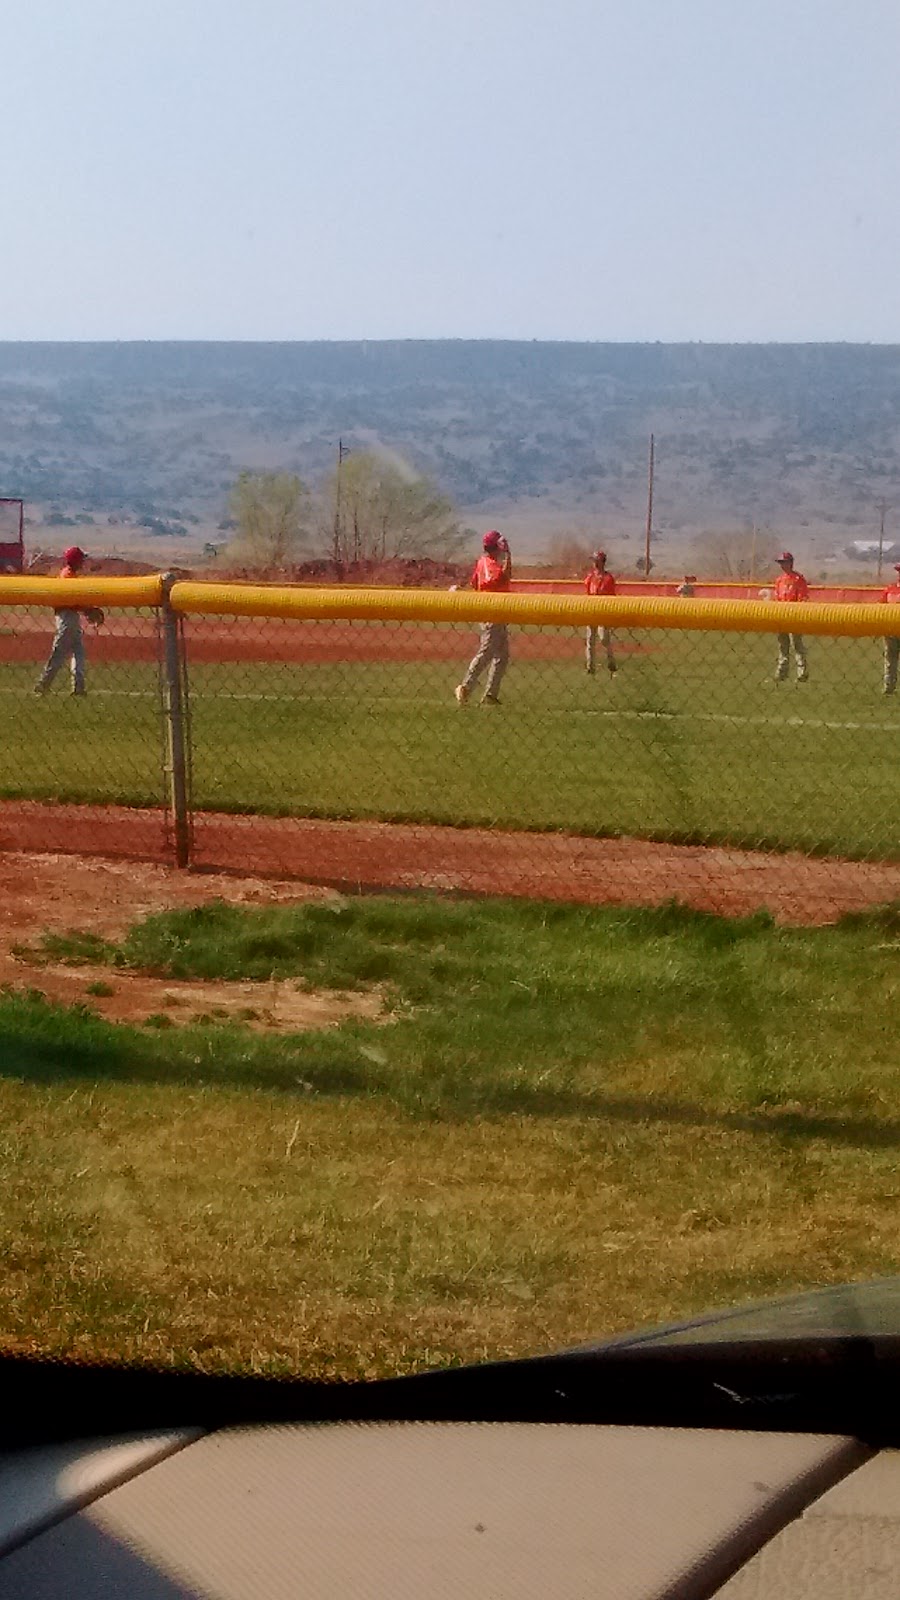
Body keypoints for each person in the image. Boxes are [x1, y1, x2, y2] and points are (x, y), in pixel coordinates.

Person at [34, 546, 103, 697]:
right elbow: (72, 600)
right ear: (76, 561)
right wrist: (89, 610)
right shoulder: (68, 575)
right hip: (67, 617)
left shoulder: (70, 574)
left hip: (71, 617)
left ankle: (78, 687)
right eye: (81, 559)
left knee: (78, 651)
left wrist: (88, 609)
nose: (83, 562)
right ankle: (43, 685)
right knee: (59, 653)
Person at [454, 530, 512, 705]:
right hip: (492, 614)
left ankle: (490, 695)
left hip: (497, 613)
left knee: (502, 656)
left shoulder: (484, 562)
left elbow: (474, 583)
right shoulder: (489, 563)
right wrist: (508, 555)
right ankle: (465, 686)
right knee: (486, 652)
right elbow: (502, 578)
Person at [772, 551, 809, 682]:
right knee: (783, 645)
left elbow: (802, 598)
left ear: (791, 563)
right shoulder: (779, 581)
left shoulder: (798, 579)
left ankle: (802, 673)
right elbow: (777, 598)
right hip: (782, 616)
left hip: (794, 616)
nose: (782, 565)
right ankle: (782, 672)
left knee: (797, 645)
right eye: (781, 563)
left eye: (785, 562)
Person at [583, 549, 617, 674]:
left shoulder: (608, 578)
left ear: (602, 562)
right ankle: (590, 667)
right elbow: (587, 593)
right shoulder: (590, 577)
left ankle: (611, 662)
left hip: (602, 611)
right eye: (594, 561)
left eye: (597, 561)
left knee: (604, 638)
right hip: (591, 611)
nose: (595, 564)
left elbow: (612, 596)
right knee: (590, 640)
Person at [879, 562, 900, 694]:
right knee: (890, 660)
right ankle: (889, 686)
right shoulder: (890, 589)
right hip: (891, 631)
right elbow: (880, 606)